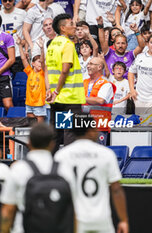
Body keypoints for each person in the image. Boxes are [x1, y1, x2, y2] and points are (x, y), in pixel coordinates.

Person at [55, 116, 129, 233]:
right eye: (95, 128)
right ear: (89, 131)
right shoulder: (106, 154)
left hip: (74, 221)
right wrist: (123, 220)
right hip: (101, 220)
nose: (97, 131)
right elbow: (116, 190)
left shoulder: (62, 155)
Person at [0, 123, 75, 233]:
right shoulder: (65, 168)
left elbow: (8, 210)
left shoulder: (18, 169)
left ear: (28, 143)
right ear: (52, 144)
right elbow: (74, 211)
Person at [46, 13, 86, 153]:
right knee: (71, 134)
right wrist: (56, 90)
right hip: (70, 98)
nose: (74, 26)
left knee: (55, 136)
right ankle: (67, 169)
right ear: (63, 28)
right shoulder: (67, 44)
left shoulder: (52, 45)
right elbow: (65, 70)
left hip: (57, 99)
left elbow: (46, 69)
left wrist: (50, 91)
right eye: (71, 24)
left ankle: (51, 167)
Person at [128, 34, 152, 115]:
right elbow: (131, 72)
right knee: (141, 124)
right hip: (139, 97)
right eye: (151, 42)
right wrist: (132, 90)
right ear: (147, 44)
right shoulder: (140, 57)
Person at [82, 57, 116, 145]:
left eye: (91, 64)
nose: (88, 66)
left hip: (99, 125)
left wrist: (80, 98)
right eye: (88, 64)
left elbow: (100, 100)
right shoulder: (84, 82)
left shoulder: (106, 84)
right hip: (84, 124)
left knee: (98, 153)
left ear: (99, 67)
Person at [17, 37, 47, 123]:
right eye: (38, 62)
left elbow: (43, 60)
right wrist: (19, 45)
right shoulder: (29, 72)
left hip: (39, 104)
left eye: (41, 62)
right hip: (29, 104)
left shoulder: (42, 72)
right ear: (33, 63)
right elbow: (23, 59)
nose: (40, 63)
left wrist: (42, 49)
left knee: (39, 128)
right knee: (31, 127)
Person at [0, 0, 26, 77]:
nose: (7, 2)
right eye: (5, 0)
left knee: (19, 84)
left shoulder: (22, 13)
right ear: (1, 1)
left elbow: (28, 31)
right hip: (3, 56)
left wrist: (25, 43)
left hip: (18, 54)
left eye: (10, 0)